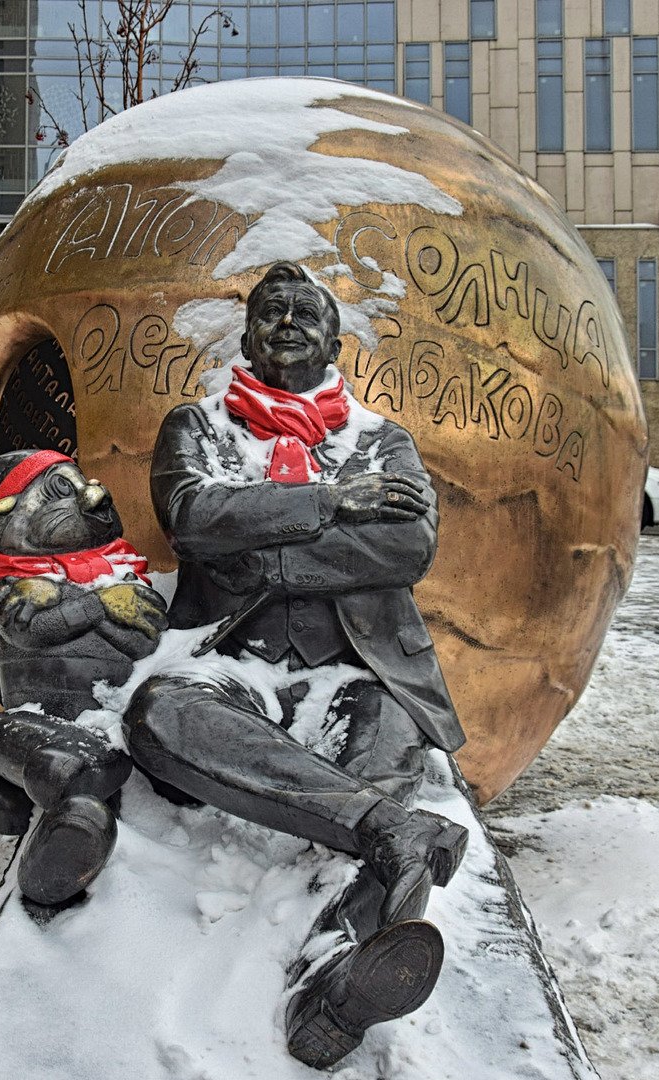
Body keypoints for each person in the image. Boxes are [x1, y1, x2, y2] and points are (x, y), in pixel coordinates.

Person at [122, 261, 470, 1069]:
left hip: (359, 671)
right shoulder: (197, 428)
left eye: (304, 311)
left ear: (335, 339)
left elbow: (407, 546)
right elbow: (192, 516)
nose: (286, 322)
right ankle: (394, 833)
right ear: (246, 336)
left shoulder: (384, 440)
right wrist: (332, 504)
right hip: (229, 662)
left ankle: (334, 978)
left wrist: (267, 557)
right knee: (160, 715)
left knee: (386, 756)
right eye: (269, 311)